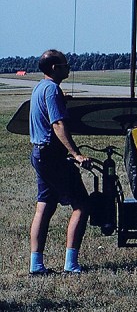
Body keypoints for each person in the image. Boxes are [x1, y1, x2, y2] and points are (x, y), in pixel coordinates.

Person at [29, 49, 91, 275]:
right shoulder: (53, 90)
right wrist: (75, 154)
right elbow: (57, 125)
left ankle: (36, 265)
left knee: (44, 207)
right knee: (82, 205)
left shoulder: (40, 88)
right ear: (55, 68)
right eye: (65, 65)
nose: (68, 68)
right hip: (52, 156)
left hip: (38, 153)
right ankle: (71, 264)